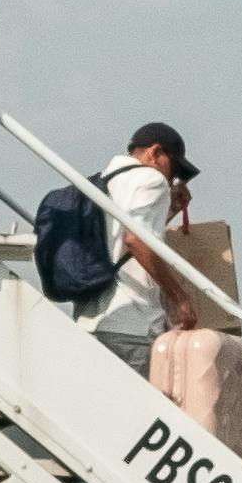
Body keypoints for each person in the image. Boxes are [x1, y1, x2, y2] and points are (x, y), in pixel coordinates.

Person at [93, 122, 198, 375]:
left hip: (96, 321)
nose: (170, 180)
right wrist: (180, 299)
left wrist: (169, 210)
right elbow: (135, 241)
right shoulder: (151, 180)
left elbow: (118, 240)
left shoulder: (103, 181)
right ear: (155, 153)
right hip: (133, 324)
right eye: (172, 172)